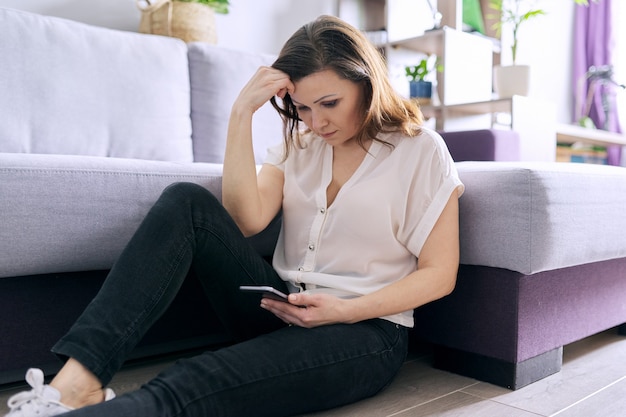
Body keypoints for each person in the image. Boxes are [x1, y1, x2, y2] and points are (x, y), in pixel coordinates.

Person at [4, 14, 464, 417]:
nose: (315, 122)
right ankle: (75, 383)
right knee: (186, 201)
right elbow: (245, 222)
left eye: (329, 104)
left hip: (363, 331)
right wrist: (241, 112)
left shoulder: (420, 150)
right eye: (301, 107)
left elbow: (440, 274)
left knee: (196, 380)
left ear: (366, 83)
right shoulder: (299, 147)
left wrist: (345, 309)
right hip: (280, 305)